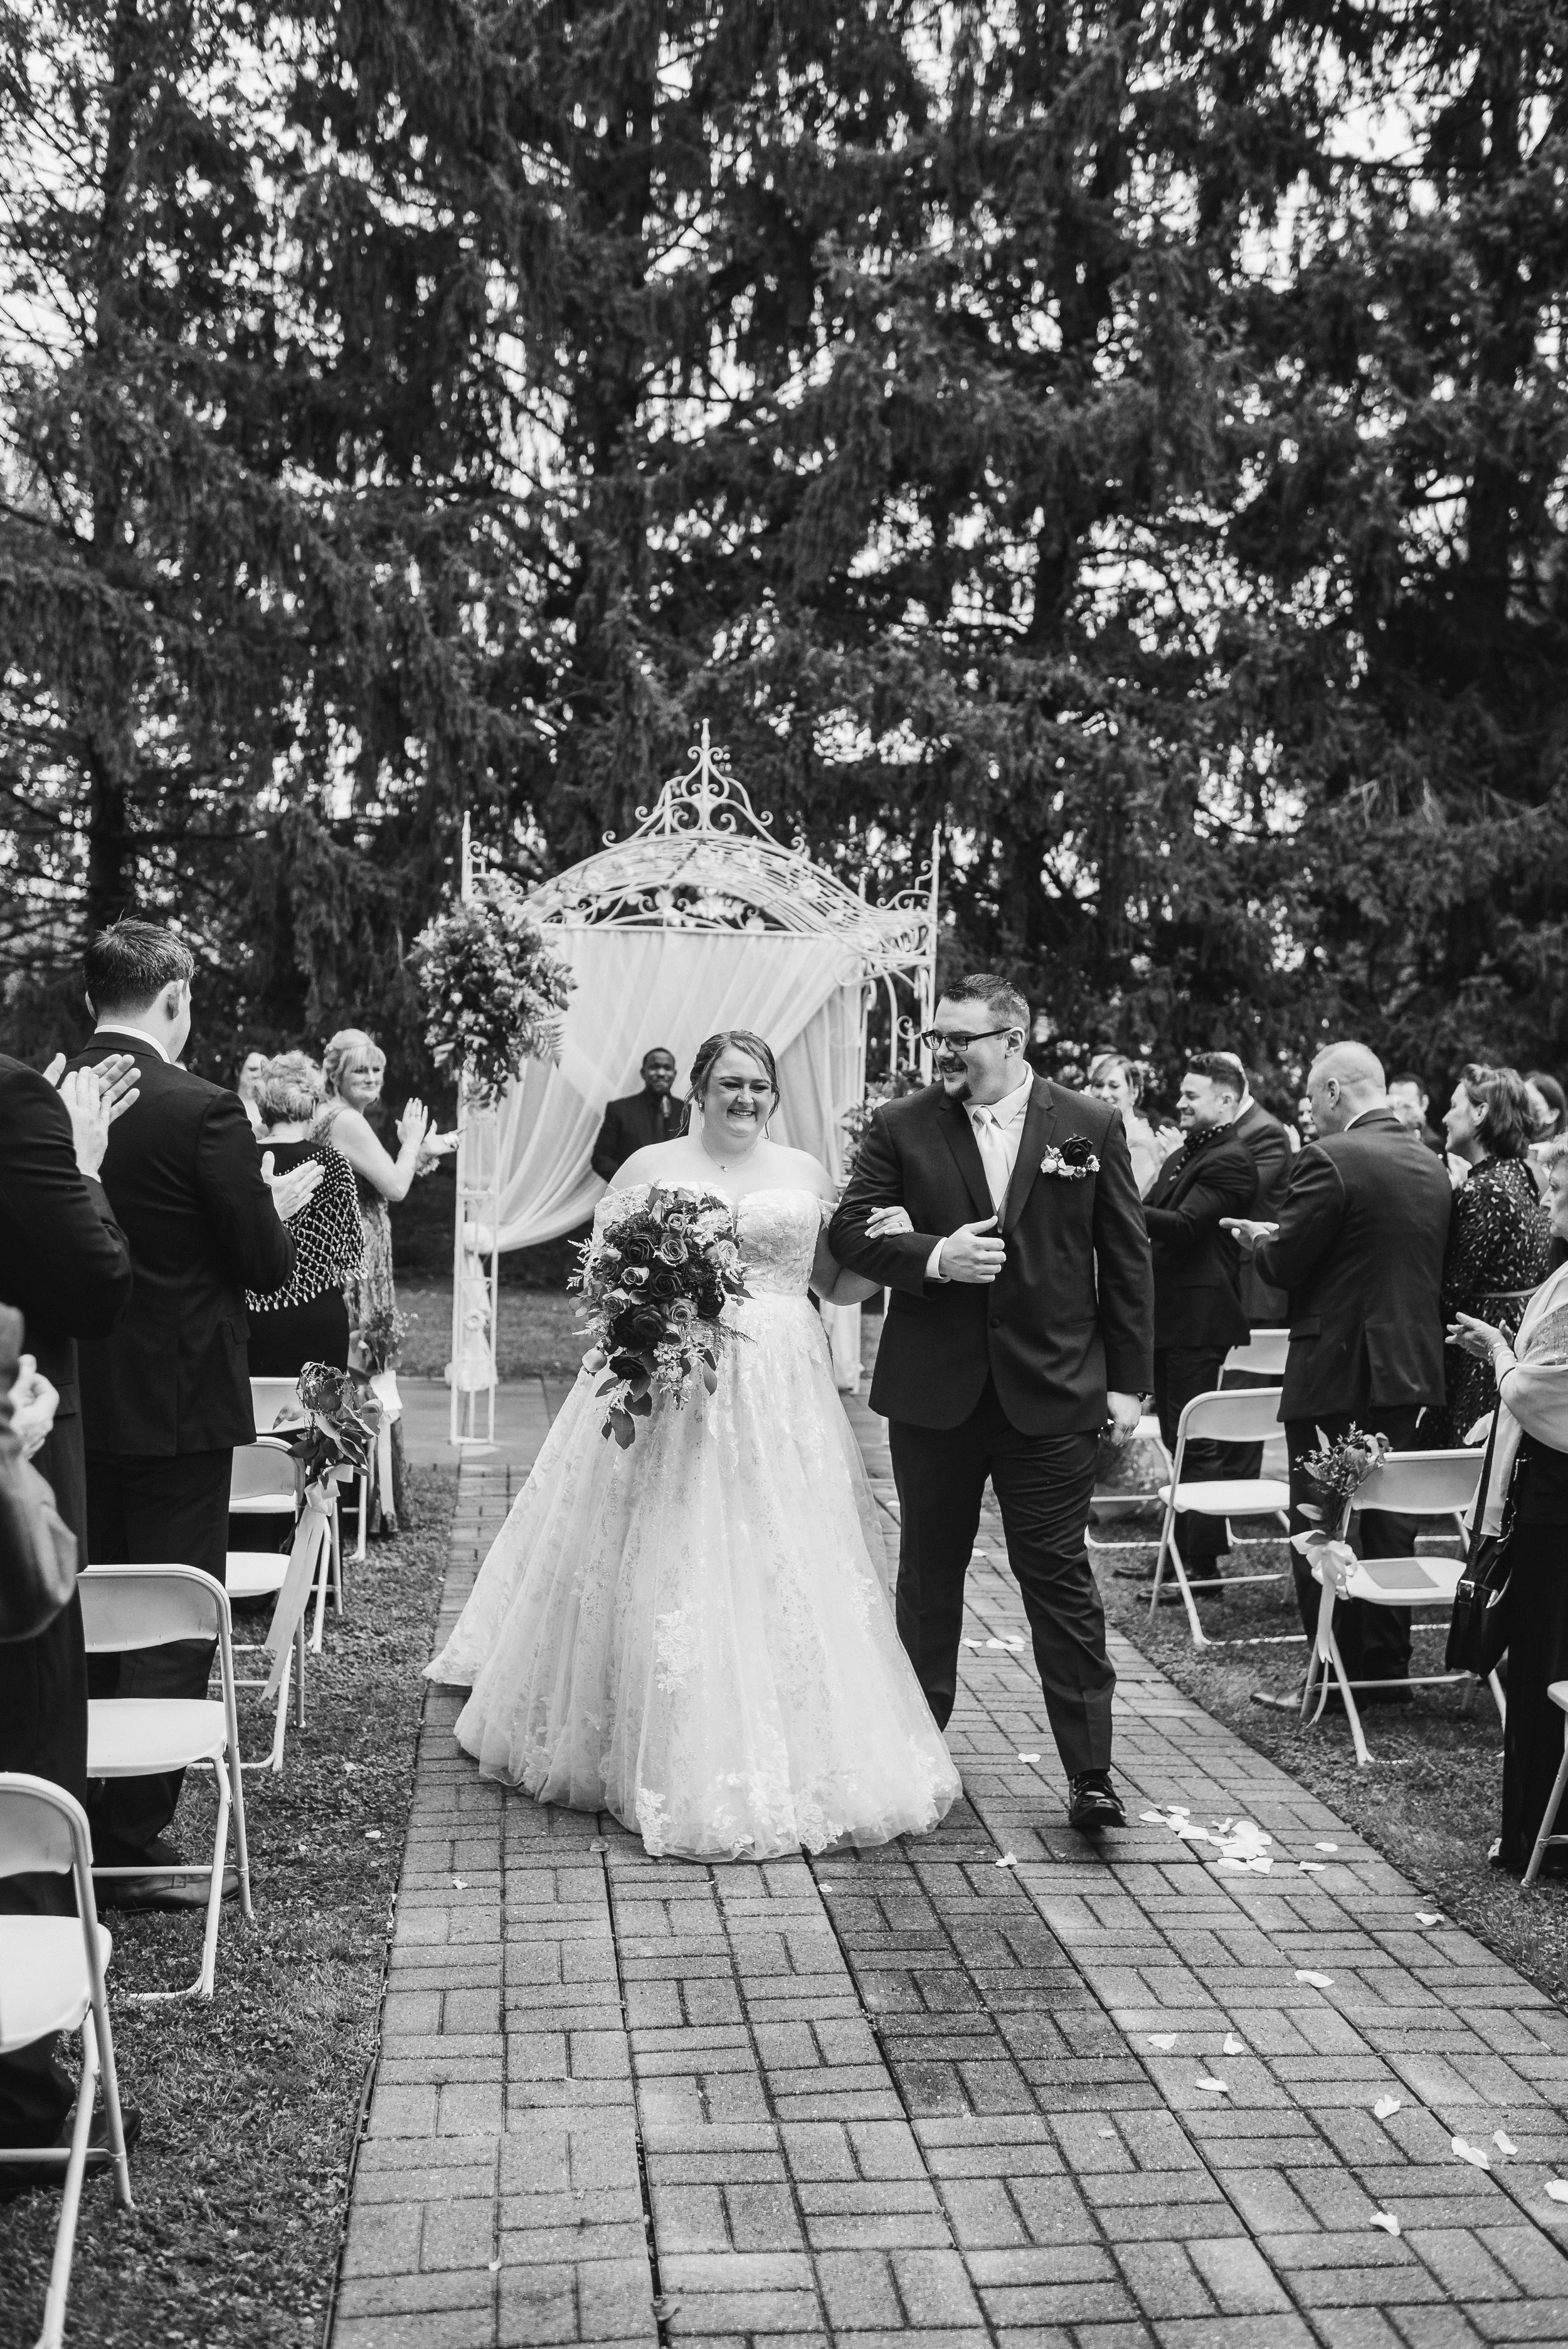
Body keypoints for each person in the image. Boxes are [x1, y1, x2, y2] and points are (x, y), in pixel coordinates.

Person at [426, 1029, 961, 1859]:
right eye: (730, 1084)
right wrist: (650, 1314)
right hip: (677, 1383)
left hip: (782, 1386)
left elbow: (836, 1284)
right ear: (700, 1090)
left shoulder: (808, 1174)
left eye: (760, 1087)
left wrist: (893, 1243)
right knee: (664, 1540)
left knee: (783, 1548)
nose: (746, 1100)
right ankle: (642, 1727)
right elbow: (605, 1284)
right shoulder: (647, 1169)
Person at [830, 975, 1154, 1834]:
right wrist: (937, 1257)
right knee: (929, 1578)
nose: (943, 1052)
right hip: (935, 1393)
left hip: (1053, 1391)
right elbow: (852, 1230)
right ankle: (916, 1752)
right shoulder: (904, 1124)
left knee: (1058, 1579)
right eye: (939, 1036)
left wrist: (1127, 1383)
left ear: (1013, 1038)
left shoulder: (1087, 1124)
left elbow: (1125, 1258)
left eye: (960, 1038)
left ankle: (1090, 1773)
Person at [64, 920, 320, 1902]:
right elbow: (260, 1265)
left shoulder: (46, 1096)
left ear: (97, 997)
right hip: (177, 1404)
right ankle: (134, 1842)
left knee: (77, 1604)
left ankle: (66, 1814)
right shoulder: (204, 1109)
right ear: (173, 998)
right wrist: (268, 1210)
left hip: (74, 1401)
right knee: (169, 1616)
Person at [0, 1053, 137, 2177]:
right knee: (30, 1753)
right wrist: (85, 1168)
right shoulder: (14, 1099)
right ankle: (17, 2085)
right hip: (13, 1515)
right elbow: (93, 1284)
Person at [1226, 1042, 1452, 1709]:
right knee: (1388, 1523)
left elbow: (1288, 1263)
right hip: (1409, 1369)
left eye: (1309, 1095)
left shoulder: (1328, 1158)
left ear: (1331, 1093)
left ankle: (1327, 1675)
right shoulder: (1430, 1164)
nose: (1308, 1109)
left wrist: (1262, 1242)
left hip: (1337, 1368)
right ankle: (1384, 1672)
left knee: (1321, 1520)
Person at [1451, 1141, 1568, 1874]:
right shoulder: (1557, 1271)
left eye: (1558, 1192)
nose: (1547, 1203)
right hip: (1547, 1486)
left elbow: (1537, 1389)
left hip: (1556, 1496)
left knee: (1542, 1659)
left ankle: (1538, 1837)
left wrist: (1498, 1355)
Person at [310, 1029, 441, 1534]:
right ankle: (370, 1502)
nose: (370, 1077)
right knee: (364, 1362)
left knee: (360, 1362)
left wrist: (423, 1150)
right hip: (359, 1257)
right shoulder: (345, 1119)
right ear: (336, 1073)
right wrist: (410, 1143)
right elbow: (396, 1185)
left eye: (376, 1069)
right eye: (359, 1069)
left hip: (353, 1249)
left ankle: (365, 1495)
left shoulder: (334, 1116)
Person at [1140, 1055, 1258, 1594]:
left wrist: (1112, 1202)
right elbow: (1152, 1208)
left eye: (1193, 1095)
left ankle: (1202, 1566)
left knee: (1196, 1438)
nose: (1181, 1103)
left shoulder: (1231, 1159)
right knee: (1175, 1434)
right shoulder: (1185, 1156)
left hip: (1199, 1315)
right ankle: (1179, 1555)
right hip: (1171, 1315)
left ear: (1226, 1102)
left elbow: (1185, 1227)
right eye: (1182, 1094)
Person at [1421, 1064, 1550, 1448]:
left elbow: (1449, 1295)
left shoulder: (1483, 1191)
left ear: (1481, 1113)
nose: (1444, 1117)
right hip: (1513, 1342)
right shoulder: (1519, 1176)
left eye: (1454, 1105)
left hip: (1478, 1358)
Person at [246, 1053, 364, 1376]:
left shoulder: (241, 1160)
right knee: (317, 1424)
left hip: (250, 1314)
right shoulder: (334, 1163)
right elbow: (350, 1255)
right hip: (317, 1316)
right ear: (312, 1106)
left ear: (262, 1105)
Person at [1210, 1052, 1293, 1327]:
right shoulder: (1222, 1125)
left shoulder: (1265, 1130)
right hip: (1226, 1278)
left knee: (1248, 1369)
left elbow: (1240, 1195)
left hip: (1254, 1279)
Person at [1084, 1053, 1177, 1198]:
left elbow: (1128, 1200)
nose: (1104, 1093)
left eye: (1114, 1086)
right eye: (1098, 1085)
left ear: (1134, 1093)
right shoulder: (1100, 1133)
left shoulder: (1139, 1142)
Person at [590, 1047, 681, 1182]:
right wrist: (630, 1183)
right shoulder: (620, 1109)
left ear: (675, 1074)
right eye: (654, 1067)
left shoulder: (688, 1112)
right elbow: (601, 1158)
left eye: (667, 1068)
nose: (661, 1073)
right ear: (643, 1073)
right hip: (630, 1195)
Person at [235, 1047, 269, 1134]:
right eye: (253, 1069)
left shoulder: (274, 1110)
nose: (258, 1075)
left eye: (263, 1071)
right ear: (238, 1071)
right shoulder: (229, 1107)